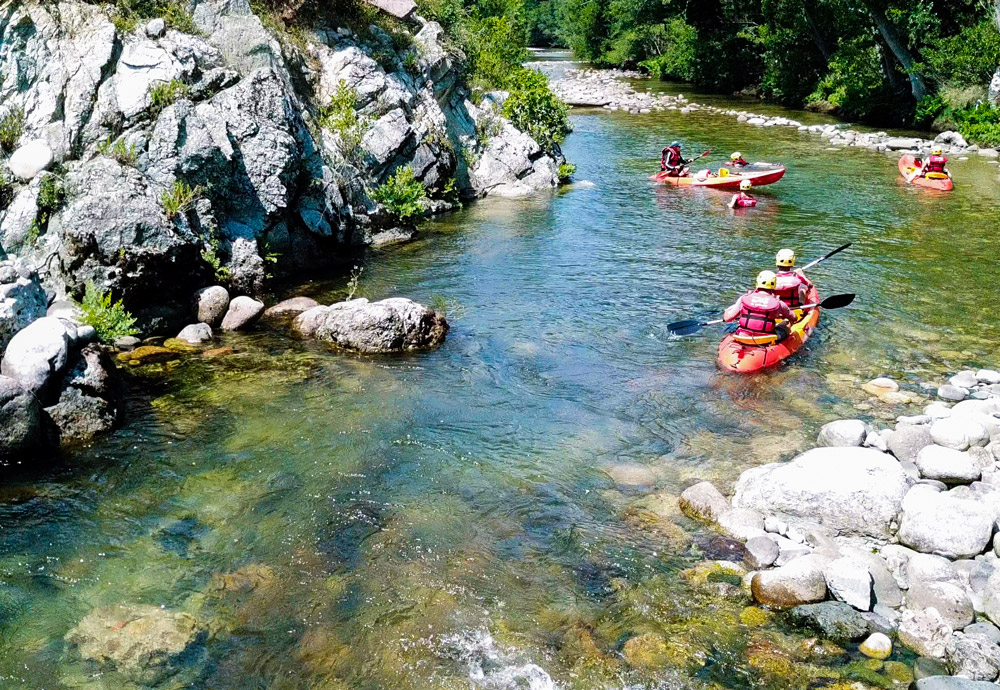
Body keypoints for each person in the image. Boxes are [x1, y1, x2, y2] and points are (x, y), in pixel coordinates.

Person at [723, 270, 795, 343]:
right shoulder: (779, 303)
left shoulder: (743, 298)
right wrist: (783, 316)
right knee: (785, 325)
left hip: (743, 336)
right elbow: (794, 317)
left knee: (734, 325)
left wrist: (727, 311)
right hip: (766, 339)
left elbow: (727, 319)